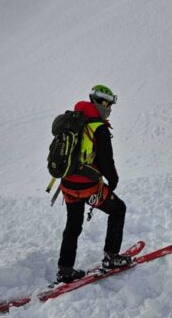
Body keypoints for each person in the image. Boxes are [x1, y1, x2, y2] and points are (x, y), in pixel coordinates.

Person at [56, 84, 131, 283]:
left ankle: (65, 269)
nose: (110, 110)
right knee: (118, 209)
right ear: (102, 103)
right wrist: (113, 181)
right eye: (109, 105)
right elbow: (107, 162)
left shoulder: (73, 120)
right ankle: (111, 257)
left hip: (67, 186)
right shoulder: (99, 128)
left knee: (73, 225)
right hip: (88, 188)